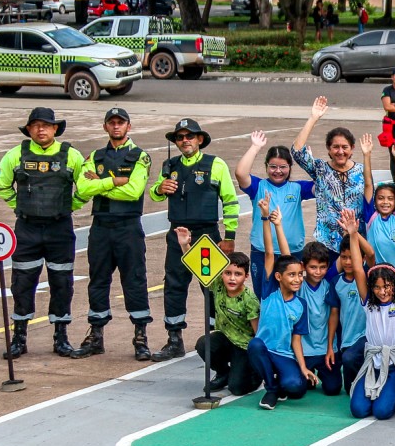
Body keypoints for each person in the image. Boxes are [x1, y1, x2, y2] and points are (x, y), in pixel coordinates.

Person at [0, 107, 85, 358]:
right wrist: (19, 207)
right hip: (27, 230)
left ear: (55, 128)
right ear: (29, 129)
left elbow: (86, 187)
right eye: (35, 125)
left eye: (46, 125)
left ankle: (61, 338)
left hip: (60, 230)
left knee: (62, 283)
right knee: (22, 284)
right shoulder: (15, 155)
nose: (41, 129)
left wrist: (69, 207)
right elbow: (1, 186)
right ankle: (19, 339)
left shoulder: (73, 155)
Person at [148, 118, 239, 361]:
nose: (185, 140)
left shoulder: (215, 164)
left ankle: (216, 338)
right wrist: (160, 189)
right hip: (177, 235)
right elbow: (154, 192)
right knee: (174, 285)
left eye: (190, 136)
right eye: (180, 137)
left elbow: (230, 201)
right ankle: (174, 339)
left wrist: (229, 236)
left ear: (200, 140)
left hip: (205, 236)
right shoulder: (169, 165)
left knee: (210, 288)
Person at [72, 107, 153, 360]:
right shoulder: (95, 155)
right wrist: (113, 181)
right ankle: (96, 335)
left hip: (128, 226)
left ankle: (140, 337)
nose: (116, 126)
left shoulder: (140, 156)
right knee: (97, 280)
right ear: (105, 126)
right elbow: (83, 188)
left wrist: (100, 183)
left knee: (134, 280)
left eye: (121, 122)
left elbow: (134, 192)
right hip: (101, 227)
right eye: (112, 123)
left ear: (129, 126)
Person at [341, 209, 395, 421]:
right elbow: (357, 268)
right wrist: (353, 235)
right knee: (359, 410)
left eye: (387, 286)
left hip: (394, 365)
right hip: (373, 361)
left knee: (382, 412)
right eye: (378, 287)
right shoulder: (369, 304)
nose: (382, 291)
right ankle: (376, 389)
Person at [177, 226, 261, 395]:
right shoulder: (217, 286)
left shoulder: (249, 300)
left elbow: (257, 333)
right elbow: (197, 266)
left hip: (243, 346)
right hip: (225, 339)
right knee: (204, 343)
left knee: (236, 388)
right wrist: (185, 245)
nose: (231, 278)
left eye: (237, 274)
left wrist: (260, 361)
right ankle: (223, 372)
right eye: (227, 273)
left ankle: (254, 374)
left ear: (246, 276)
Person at [235, 130, 314, 297]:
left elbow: (321, 185)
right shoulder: (258, 186)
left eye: (283, 167)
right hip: (262, 251)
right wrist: (255, 147)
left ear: (290, 167)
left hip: (292, 252)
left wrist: (310, 164)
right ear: (266, 167)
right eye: (273, 166)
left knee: (292, 296)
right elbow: (241, 174)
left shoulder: (297, 188)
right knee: (264, 295)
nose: (278, 171)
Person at [292, 97, 368, 267]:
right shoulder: (320, 169)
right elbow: (297, 152)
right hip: (327, 244)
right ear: (328, 149)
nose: (340, 151)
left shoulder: (362, 171)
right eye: (335, 147)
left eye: (345, 147)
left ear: (352, 148)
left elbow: (373, 200)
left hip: (356, 241)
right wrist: (313, 118)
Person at [249, 253, 319, 410]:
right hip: (265, 351)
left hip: (284, 355)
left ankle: (283, 382)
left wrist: (303, 367)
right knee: (255, 344)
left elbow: (296, 340)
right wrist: (270, 226)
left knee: (295, 388)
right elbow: (268, 254)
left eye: (300, 274)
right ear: (279, 276)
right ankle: (272, 389)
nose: (297, 279)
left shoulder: (301, 305)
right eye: (292, 275)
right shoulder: (268, 293)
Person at [298, 242, 342, 395]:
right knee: (297, 389)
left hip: (326, 349)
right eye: (313, 267)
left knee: (333, 389)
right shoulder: (298, 285)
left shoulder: (329, 286)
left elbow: (332, 317)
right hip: (304, 350)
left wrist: (330, 347)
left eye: (322, 267)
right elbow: (285, 256)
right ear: (303, 266)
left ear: (328, 266)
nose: (318, 272)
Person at [359, 139, 395, 271]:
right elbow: (368, 184)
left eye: (390, 199)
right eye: (380, 198)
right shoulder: (371, 217)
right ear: (374, 202)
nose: (385, 202)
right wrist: (367, 155)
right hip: (373, 277)